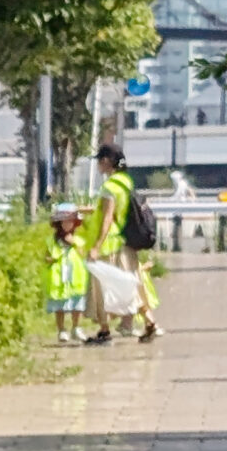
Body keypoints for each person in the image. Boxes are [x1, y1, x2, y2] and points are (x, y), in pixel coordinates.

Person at [85, 142, 158, 342]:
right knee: (129, 284)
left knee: (102, 285)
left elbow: (108, 218)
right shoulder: (126, 182)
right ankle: (149, 320)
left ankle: (104, 329)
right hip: (125, 242)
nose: (98, 166)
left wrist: (96, 246)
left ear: (107, 161)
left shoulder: (110, 187)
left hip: (110, 245)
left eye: (99, 161)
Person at [45, 205, 89, 343]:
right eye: (64, 222)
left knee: (77, 305)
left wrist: (74, 243)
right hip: (59, 278)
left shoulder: (79, 240)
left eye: (70, 222)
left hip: (75, 277)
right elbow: (46, 257)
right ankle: (61, 330)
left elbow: (84, 255)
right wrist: (50, 259)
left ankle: (76, 327)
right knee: (60, 307)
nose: (67, 225)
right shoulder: (52, 241)